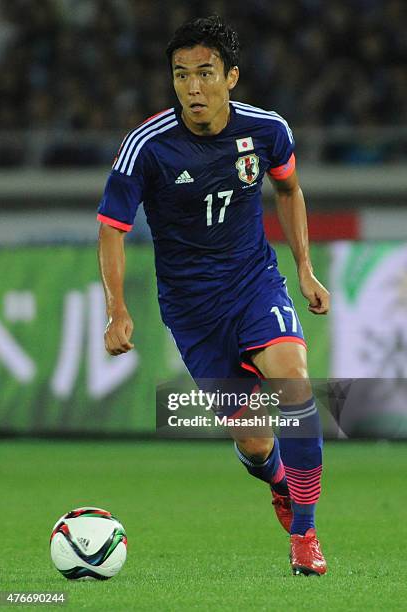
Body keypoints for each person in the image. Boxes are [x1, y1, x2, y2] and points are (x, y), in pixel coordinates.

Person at [97, 15, 330, 576]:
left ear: (231, 77)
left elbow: (289, 188)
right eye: (180, 75)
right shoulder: (145, 147)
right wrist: (117, 310)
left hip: (255, 282)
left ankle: (305, 535)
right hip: (192, 308)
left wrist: (304, 267)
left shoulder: (268, 130)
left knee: (294, 386)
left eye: (204, 74)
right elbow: (111, 227)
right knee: (253, 440)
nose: (192, 87)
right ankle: (277, 480)